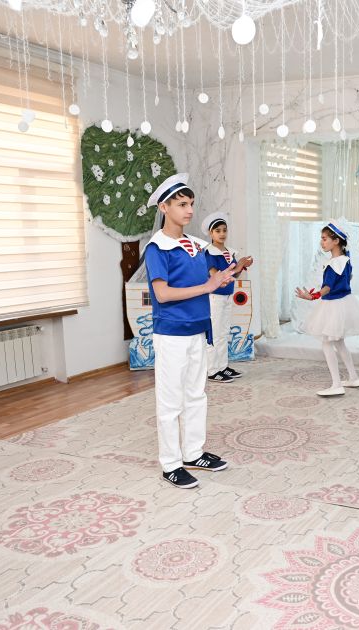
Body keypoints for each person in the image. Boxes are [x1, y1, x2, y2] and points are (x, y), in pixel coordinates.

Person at [144, 173, 235, 489]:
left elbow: (206, 281)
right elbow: (163, 294)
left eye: (191, 203)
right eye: (182, 204)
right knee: (171, 401)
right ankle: (171, 464)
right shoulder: (157, 248)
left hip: (198, 329)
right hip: (171, 333)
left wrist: (219, 280)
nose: (190, 210)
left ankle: (193, 453)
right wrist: (207, 286)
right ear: (164, 207)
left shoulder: (198, 245)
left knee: (196, 395)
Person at [295, 218, 359, 397]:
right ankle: (353, 377)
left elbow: (328, 287)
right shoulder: (346, 260)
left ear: (336, 241)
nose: (321, 242)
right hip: (344, 302)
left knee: (327, 343)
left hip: (333, 305)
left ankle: (337, 384)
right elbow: (346, 280)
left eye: (324, 239)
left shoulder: (333, 264)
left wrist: (312, 296)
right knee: (339, 342)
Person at [199, 211, 254, 383]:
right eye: (218, 231)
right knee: (214, 334)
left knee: (223, 333)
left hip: (227, 295)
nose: (222, 234)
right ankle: (212, 370)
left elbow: (234, 276)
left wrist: (241, 266)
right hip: (215, 297)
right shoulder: (209, 253)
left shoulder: (230, 252)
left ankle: (222, 366)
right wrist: (238, 266)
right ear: (211, 233)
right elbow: (216, 276)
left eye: (224, 230)